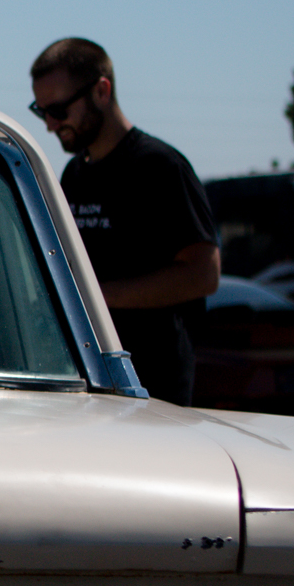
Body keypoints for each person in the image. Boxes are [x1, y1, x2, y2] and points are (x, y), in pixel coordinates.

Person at [28, 37, 219, 404]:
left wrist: (96, 295)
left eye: (60, 109)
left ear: (102, 91)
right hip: (90, 387)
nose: (51, 125)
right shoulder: (74, 175)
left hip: (156, 394)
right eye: (42, 111)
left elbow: (204, 274)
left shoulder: (161, 168)